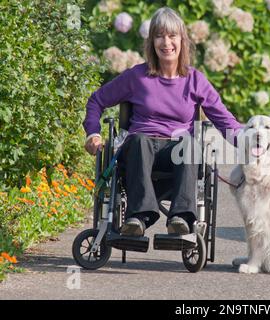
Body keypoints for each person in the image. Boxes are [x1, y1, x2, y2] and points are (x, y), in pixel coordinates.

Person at [82, 7, 242, 237]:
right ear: (152, 42)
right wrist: (93, 133)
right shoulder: (136, 77)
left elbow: (224, 120)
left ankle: (180, 218)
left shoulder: (195, 80)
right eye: (159, 35)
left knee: (189, 146)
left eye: (172, 36)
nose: (166, 42)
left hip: (176, 154)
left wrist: (250, 144)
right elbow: (96, 100)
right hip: (139, 152)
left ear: (182, 40)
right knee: (138, 141)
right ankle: (139, 217)